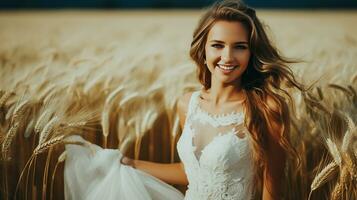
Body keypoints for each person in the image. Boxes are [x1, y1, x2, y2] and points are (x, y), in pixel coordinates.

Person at [64, 0, 306, 199]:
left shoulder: (266, 108)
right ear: (203, 49)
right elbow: (190, 172)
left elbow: (272, 191)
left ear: (251, 51)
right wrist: (129, 162)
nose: (227, 56)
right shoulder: (187, 104)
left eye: (240, 47)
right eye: (218, 45)